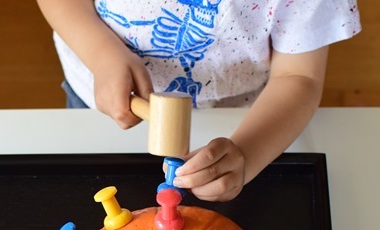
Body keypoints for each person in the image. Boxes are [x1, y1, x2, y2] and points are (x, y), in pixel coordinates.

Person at [36, 0, 361, 201]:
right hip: (99, 95)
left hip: (245, 120)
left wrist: (246, 155)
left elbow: (299, 77)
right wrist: (101, 53)